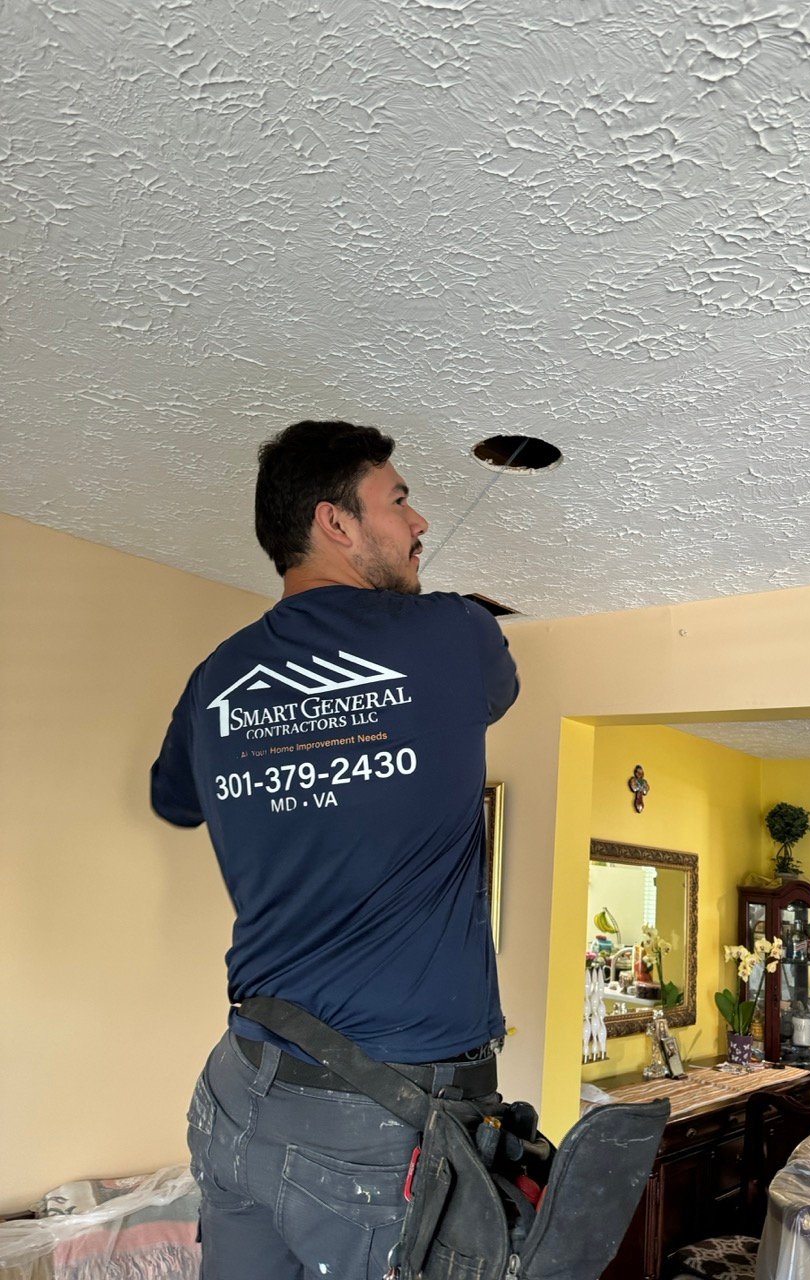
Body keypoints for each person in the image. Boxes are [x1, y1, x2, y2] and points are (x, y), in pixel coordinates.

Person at [151, 420, 519, 1280]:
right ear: (338, 524)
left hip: (241, 1090)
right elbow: (495, 689)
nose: (421, 521)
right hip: (373, 1128)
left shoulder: (215, 679)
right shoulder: (452, 634)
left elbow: (174, 800)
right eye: (398, 499)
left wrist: (276, 763)